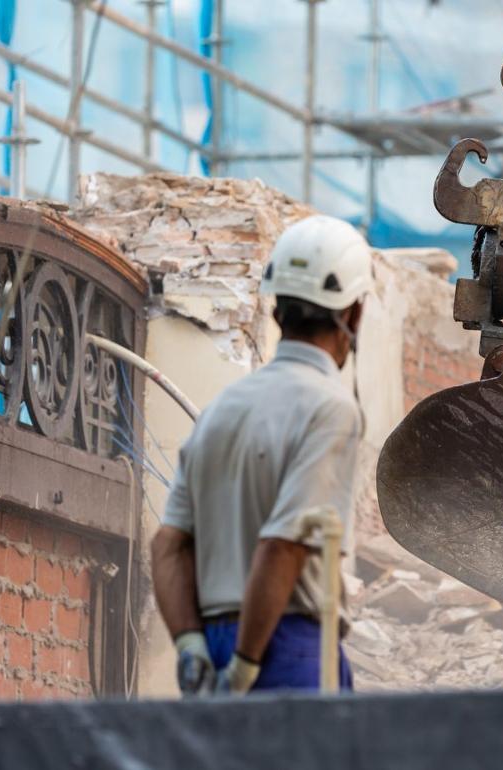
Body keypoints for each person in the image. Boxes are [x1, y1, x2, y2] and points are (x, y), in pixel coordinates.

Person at [150, 214, 371, 696]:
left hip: (212, 641)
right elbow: (283, 546)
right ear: (353, 315)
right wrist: (247, 666)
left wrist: (192, 650)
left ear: (276, 313)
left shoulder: (221, 409)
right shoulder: (331, 408)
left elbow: (167, 545)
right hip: (284, 646)